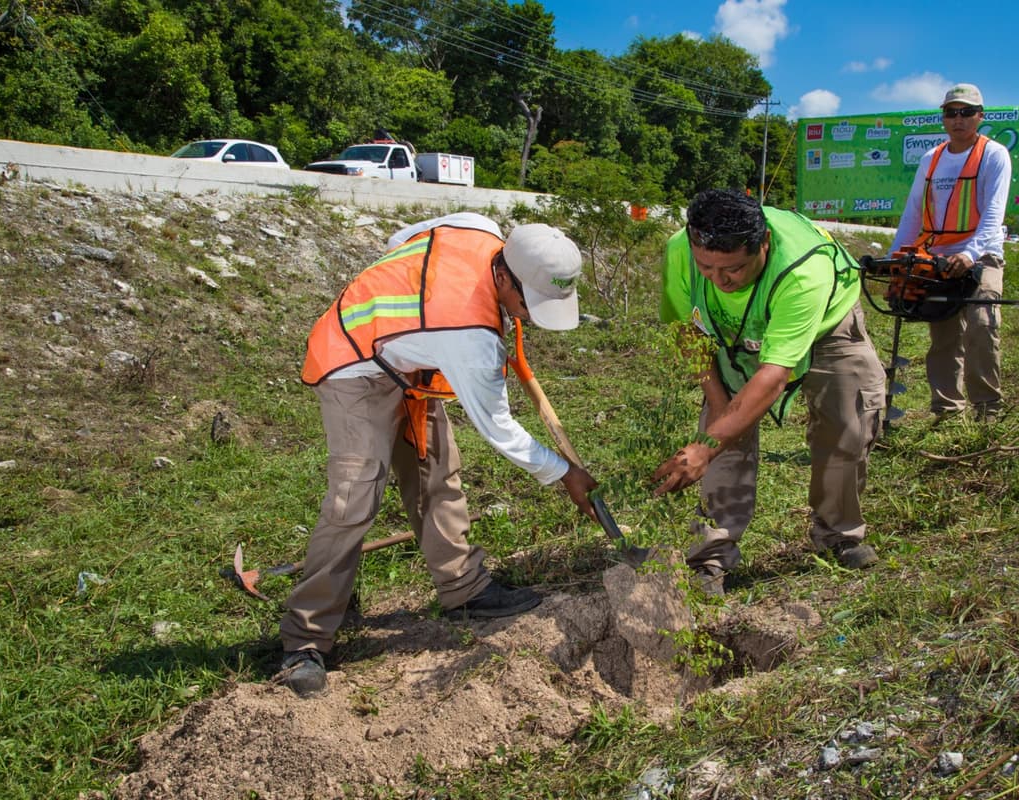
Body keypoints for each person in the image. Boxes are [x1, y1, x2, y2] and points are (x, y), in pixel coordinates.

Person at [277, 212, 597, 697]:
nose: (529, 315)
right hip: (352, 362)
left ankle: (464, 590)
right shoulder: (469, 337)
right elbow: (500, 429)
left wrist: (412, 323)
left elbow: (401, 239)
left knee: (436, 473)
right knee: (354, 500)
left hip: (412, 360)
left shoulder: (480, 228)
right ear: (504, 276)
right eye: (528, 304)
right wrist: (564, 472)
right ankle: (305, 639)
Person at [652, 189, 888, 594]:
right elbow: (687, 334)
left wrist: (706, 446)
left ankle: (838, 536)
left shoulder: (801, 272)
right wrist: (718, 404)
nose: (719, 280)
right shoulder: (681, 251)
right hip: (732, 331)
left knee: (846, 425)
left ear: (763, 244)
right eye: (706, 267)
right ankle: (711, 557)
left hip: (827, 324)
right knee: (722, 426)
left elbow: (773, 375)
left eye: (734, 269)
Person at [889, 83, 1012, 422]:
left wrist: (971, 253)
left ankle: (987, 410)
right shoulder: (933, 158)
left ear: (980, 116)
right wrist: (894, 257)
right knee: (943, 336)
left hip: (982, 254)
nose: (958, 120)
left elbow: (993, 213)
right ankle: (946, 410)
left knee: (982, 325)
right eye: (951, 112)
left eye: (966, 112)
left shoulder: (994, 155)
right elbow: (913, 211)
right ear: (943, 117)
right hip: (938, 257)